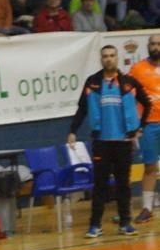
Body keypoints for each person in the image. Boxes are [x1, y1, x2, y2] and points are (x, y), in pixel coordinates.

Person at [68, 45, 149, 238]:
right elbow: (82, 109)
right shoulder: (93, 82)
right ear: (101, 59)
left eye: (112, 56)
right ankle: (95, 225)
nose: (109, 59)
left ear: (117, 58)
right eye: (105, 56)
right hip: (101, 142)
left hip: (123, 141)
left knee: (123, 184)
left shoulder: (128, 83)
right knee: (100, 185)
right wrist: (72, 131)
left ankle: (125, 223)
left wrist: (140, 128)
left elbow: (148, 104)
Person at [129, 34, 160, 223]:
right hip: (149, 124)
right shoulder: (137, 69)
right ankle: (147, 208)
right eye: (153, 44)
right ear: (147, 46)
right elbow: (127, 95)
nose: (156, 47)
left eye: (159, 44)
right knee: (149, 166)